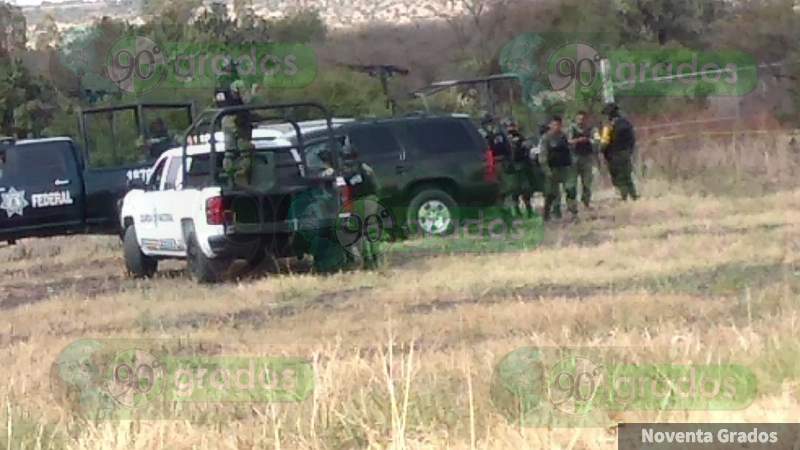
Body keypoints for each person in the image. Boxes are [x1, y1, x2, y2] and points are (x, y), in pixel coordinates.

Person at [215, 62, 256, 188]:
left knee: (229, 153)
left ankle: (230, 177)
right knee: (246, 152)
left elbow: (217, 102)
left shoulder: (218, 85)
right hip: (239, 119)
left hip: (224, 119)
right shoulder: (237, 83)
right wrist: (254, 91)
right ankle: (241, 177)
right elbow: (247, 101)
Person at [539, 115, 578, 221]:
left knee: (570, 189)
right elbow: (542, 156)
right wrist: (546, 170)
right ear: (550, 125)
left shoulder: (563, 136)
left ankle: (573, 211)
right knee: (551, 194)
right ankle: (552, 212)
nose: (557, 127)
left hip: (565, 167)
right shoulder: (545, 138)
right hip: (552, 169)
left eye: (559, 124)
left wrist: (572, 162)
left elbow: (569, 150)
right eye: (554, 124)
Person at [599, 103, 639, 201]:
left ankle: (624, 197)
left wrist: (601, 151)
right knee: (627, 176)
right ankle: (634, 196)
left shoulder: (608, 126)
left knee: (619, 178)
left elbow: (604, 142)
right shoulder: (626, 123)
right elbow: (632, 139)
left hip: (614, 155)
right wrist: (629, 151)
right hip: (625, 153)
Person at [503, 118, 536, 218]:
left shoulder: (520, 137)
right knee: (514, 191)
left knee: (526, 190)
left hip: (523, 165)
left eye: (512, 126)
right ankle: (517, 211)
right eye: (509, 126)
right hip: (511, 168)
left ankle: (529, 209)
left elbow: (527, 147)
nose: (511, 128)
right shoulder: (504, 138)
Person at [568, 111, 599, 209]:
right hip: (574, 158)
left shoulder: (591, 129)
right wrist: (578, 140)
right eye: (579, 119)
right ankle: (572, 205)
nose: (581, 121)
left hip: (587, 158)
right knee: (572, 184)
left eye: (583, 119)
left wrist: (589, 140)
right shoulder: (572, 128)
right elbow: (568, 141)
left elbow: (597, 140)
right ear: (576, 119)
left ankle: (586, 202)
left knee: (587, 182)